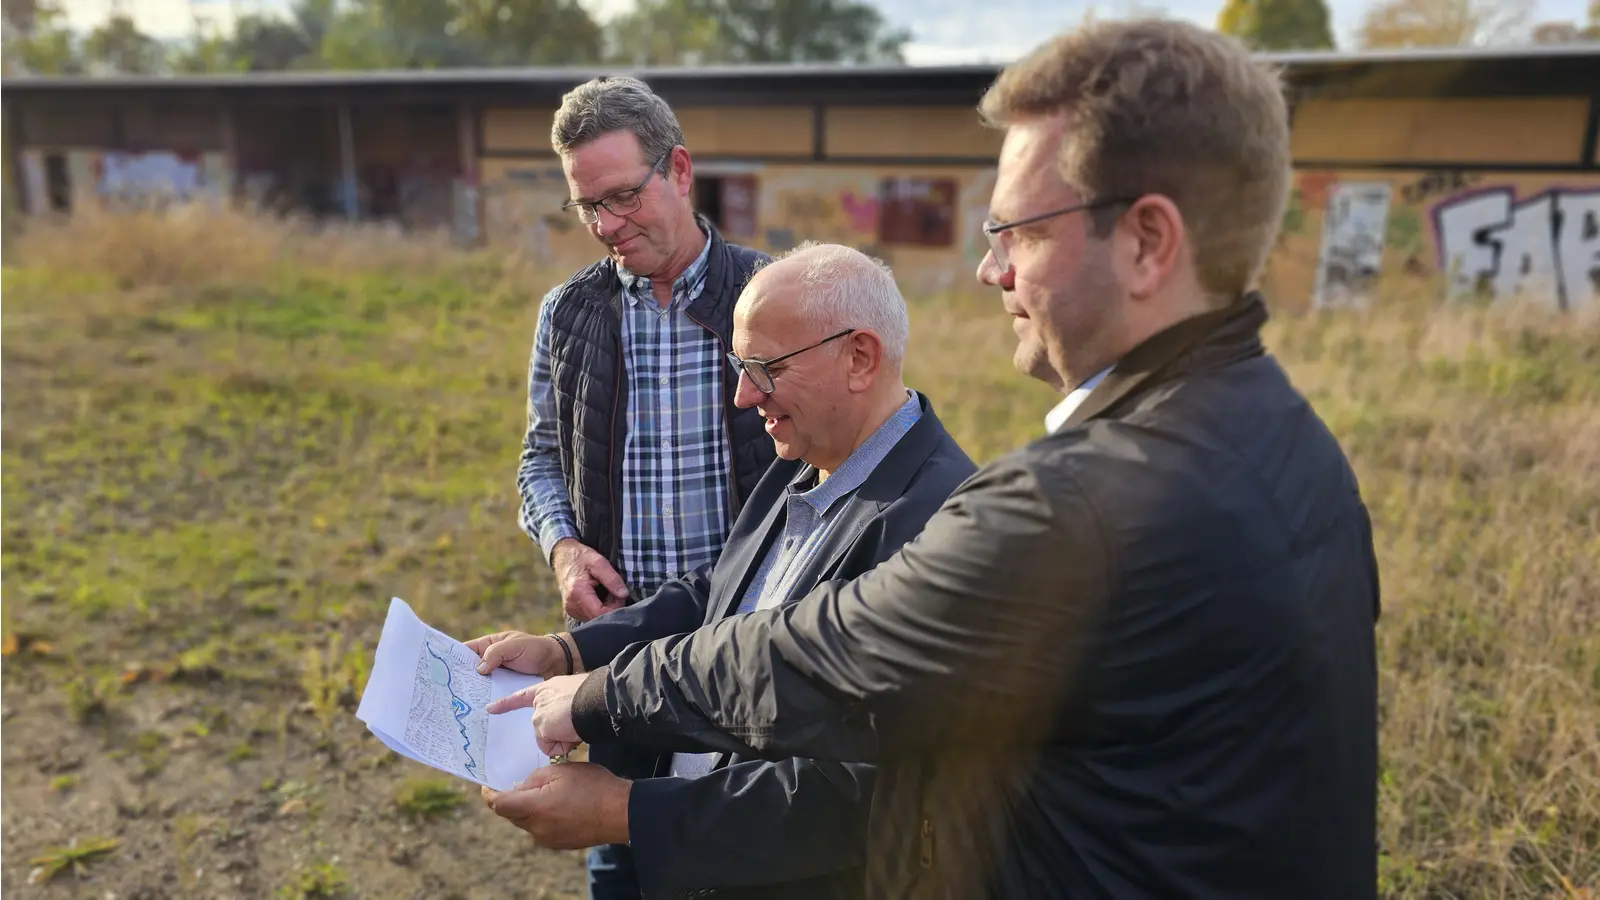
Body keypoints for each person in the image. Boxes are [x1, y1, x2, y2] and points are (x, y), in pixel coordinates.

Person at [526, 19, 1382, 900]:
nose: (990, 270)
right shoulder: (1288, 435)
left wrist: (588, 698)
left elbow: (815, 662)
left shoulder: (1076, 508)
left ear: (1147, 243)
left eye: (1017, 231)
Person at [473, 243, 978, 900]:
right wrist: (565, 651)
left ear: (860, 357)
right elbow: (718, 598)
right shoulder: (808, 456)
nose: (742, 396)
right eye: (739, 366)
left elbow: (859, 791)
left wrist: (624, 813)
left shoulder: (935, 525)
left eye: (764, 368)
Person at [514, 74, 776, 899]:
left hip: (749, 646)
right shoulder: (568, 314)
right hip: (615, 644)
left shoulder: (769, 297)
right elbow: (539, 459)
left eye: (625, 196)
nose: (608, 227)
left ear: (681, 170)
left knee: (742, 848)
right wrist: (562, 549)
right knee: (617, 852)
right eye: (587, 207)